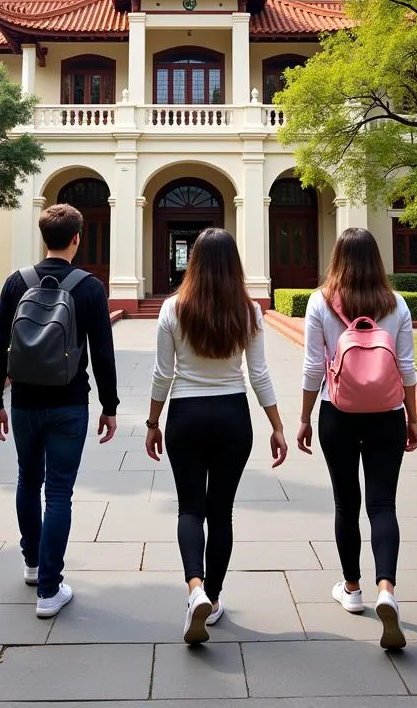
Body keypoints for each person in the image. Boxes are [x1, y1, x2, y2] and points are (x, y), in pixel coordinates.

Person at [145, 227, 288, 645]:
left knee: (190, 510)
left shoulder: (173, 308)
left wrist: (153, 423)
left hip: (185, 415)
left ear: (194, 262)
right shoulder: (248, 311)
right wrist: (277, 425)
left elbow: (162, 374)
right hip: (232, 415)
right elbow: (258, 374)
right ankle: (214, 595)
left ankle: (195, 590)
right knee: (220, 511)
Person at [0, 203, 119, 619]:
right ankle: (49, 588)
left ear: (43, 236)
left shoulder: (16, 282)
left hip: (24, 402)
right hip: (69, 403)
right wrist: (109, 406)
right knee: (58, 492)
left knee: (28, 480)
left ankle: (31, 564)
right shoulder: (89, 287)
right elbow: (102, 353)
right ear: (77, 238)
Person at [297, 227, 417, 651]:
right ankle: (387, 587)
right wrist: (413, 418)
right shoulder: (396, 302)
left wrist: (304, 417)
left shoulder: (320, 301)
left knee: (346, 503)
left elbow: (314, 366)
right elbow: (406, 367)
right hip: (387, 413)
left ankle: (352, 588)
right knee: (383, 503)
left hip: (339, 413)